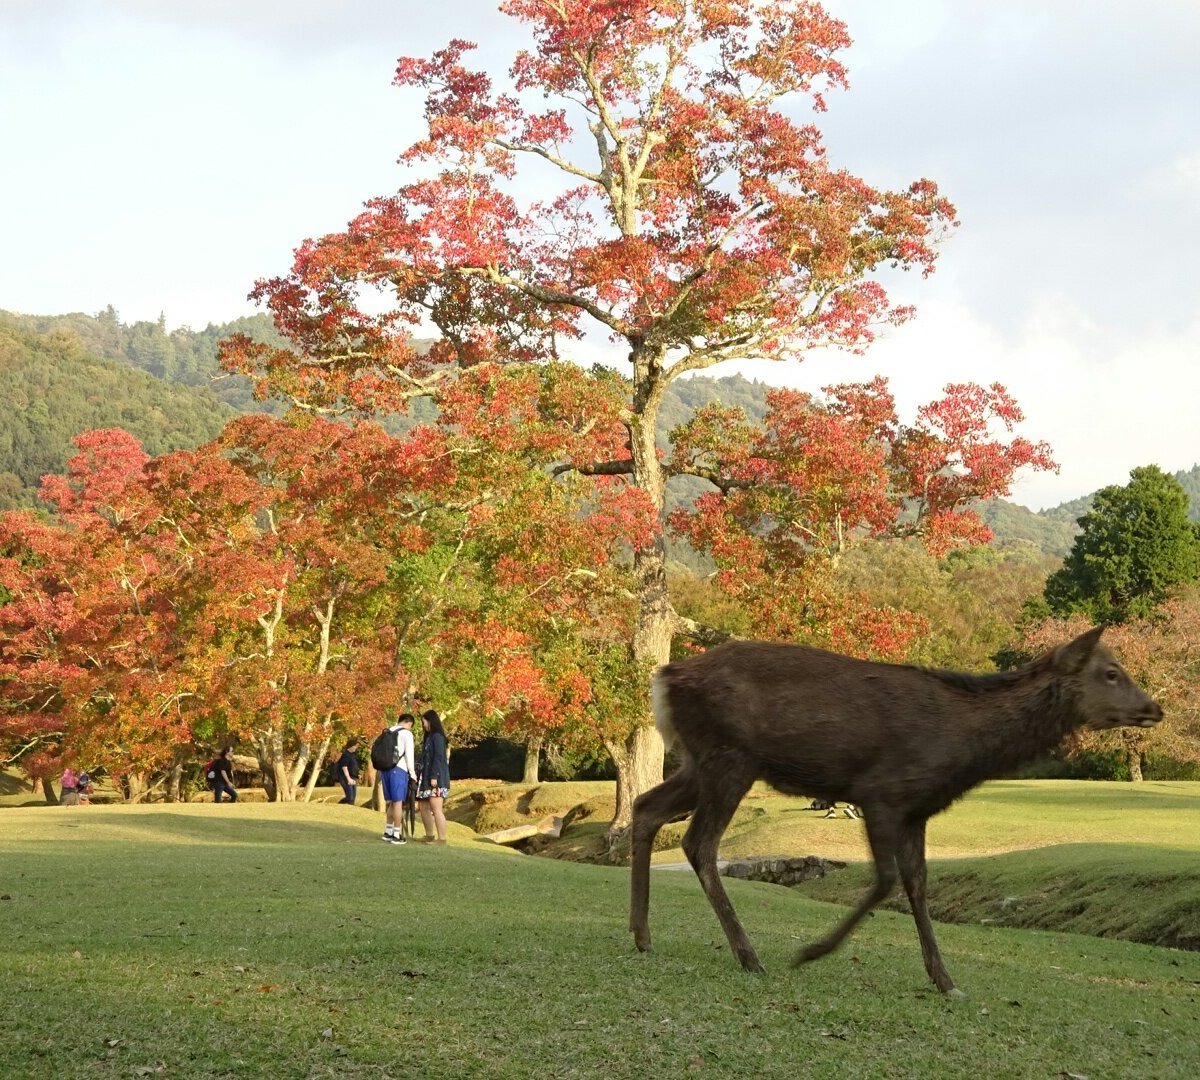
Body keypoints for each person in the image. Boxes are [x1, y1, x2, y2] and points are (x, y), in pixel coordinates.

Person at [380, 714, 417, 845]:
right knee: (398, 802)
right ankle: (396, 833)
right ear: (408, 722)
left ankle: (388, 831)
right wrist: (412, 773)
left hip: (385, 770)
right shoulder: (406, 734)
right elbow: (409, 755)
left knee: (391, 802)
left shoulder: (387, 731)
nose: (410, 728)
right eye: (410, 726)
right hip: (399, 769)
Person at [416, 709, 451, 845]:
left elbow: (438, 757)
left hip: (436, 777)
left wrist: (434, 776)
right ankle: (429, 835)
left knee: (436, 808)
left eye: (424, 721)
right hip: (425, 777)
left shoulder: (437, 737)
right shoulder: (428, 737)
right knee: (423, 807)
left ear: (430, 720)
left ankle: (442, 838)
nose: (423, 724)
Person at [335, 739, 360, 805]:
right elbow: (344, 767)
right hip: (345, 777)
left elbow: (354, 766)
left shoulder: (353, 755)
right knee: (350, 798)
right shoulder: (346, 754)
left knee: (353, 798)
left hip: (353, 777)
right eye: (355, 746)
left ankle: (351, 810)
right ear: (351, 746)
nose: (356, 748)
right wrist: (348, 778)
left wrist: (358, 774)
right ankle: (339, 805)